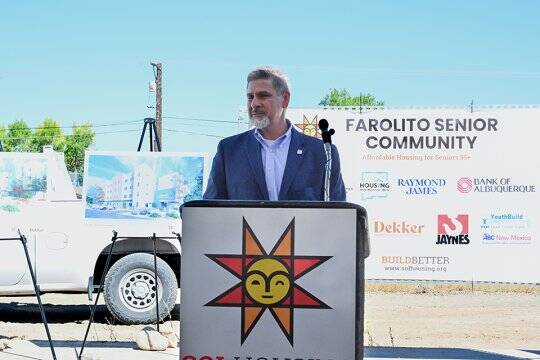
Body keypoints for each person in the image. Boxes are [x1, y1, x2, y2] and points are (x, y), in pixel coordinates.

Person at [203, 66, 346, 201]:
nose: (254, 104)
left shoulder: (322, 153)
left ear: (285, 99)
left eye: (263, 96)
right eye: (250, 97)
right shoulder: (229, 150)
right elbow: (210, 208)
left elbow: (339, 212)